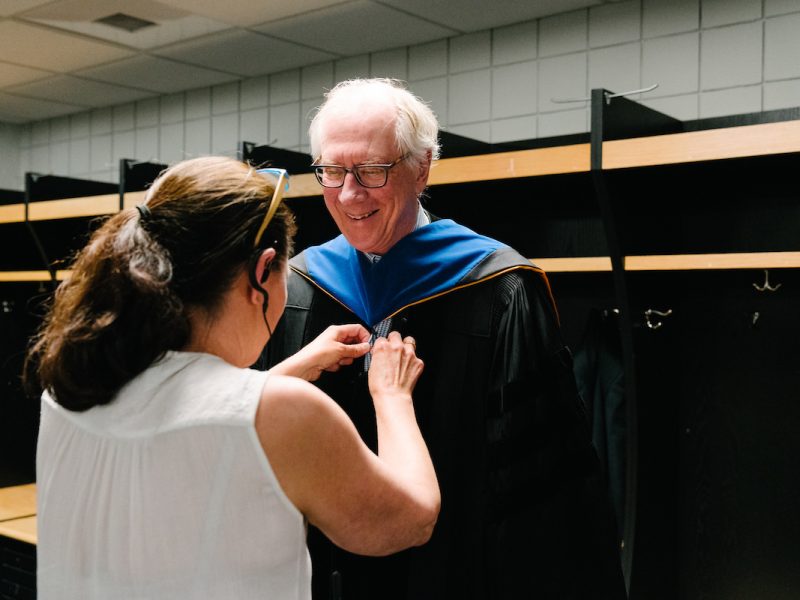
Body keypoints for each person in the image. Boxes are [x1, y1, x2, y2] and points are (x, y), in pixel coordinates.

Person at [264, 78, 627, 599]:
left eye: (371, 170)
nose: (348, 193)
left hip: (456, 569)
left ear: (422, 167)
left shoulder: (499, 289)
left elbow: (539, 488)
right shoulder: (297, 285)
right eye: (331, 171)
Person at [24, 156, 440, 600]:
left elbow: (200, 426)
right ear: (262, 271)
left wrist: (289, 370)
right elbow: (410, 519)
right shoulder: (288, 414)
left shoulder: (70, 386)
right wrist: (392, 396)